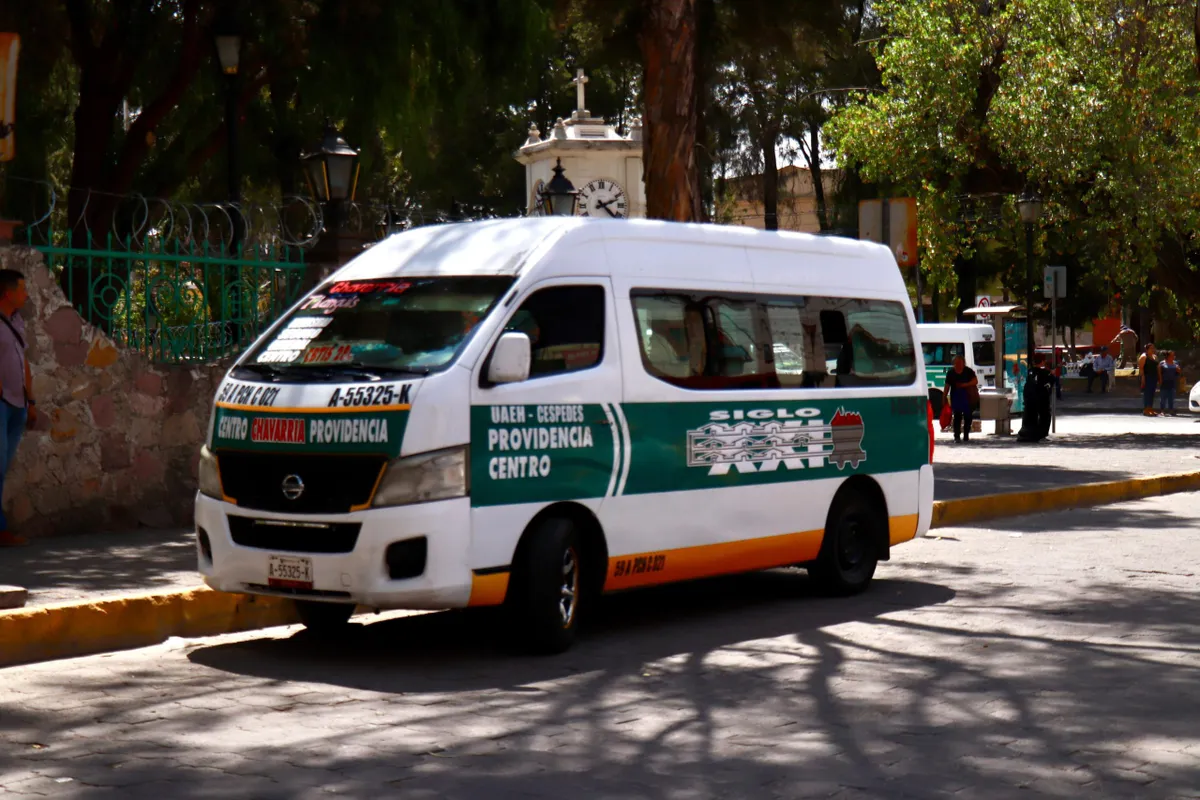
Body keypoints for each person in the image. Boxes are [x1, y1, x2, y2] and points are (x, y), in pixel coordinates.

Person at [0, 270, 35, 547]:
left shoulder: (17, 321)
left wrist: (31, 400)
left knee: (2, 467)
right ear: (7, 292)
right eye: (21, 289)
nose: (25, 294)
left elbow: (23, 361)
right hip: (1, 403)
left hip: (18, 403)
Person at [1017, 354, 1055, 442]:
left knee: (1029, 415)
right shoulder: (1044, 373)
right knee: (1044, 416)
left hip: (1029, 397)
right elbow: (1049, 383)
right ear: (1042, 362)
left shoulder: (1029, 371)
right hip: (1040, 398)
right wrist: (1052, 375)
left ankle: (1026, 433)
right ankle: (1041, 435)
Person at [942, 355, 978, 444]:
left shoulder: (968, 371)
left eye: (960, 363)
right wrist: (944, 397)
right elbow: (947, 386)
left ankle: (966, 435)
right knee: (957, 417)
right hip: (956, 397)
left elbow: (975, 381)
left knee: (968, 417)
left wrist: (964, 385)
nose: (959, 365)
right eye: (957, 363)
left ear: (963, 363)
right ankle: (957, 436)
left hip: (967, 397)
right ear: (954, 364)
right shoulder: (950, 373)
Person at [1138, 343, 1159, 416]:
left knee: (1152, 393)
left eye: (1153, 348)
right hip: (1147, 377)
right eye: (1151, 348)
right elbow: (1141, 368)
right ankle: (1146, 409)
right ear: (1147, 349)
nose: (1153, 349)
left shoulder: (1155, 357)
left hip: (1154, 377)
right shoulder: (1143, 357)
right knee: (1147, 393)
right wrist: (1143, 378)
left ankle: (1150, 408)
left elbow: (1157, 367)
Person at [1159, 351, 1181, 416]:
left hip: (1172, 382)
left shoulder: (1175, 363)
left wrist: (1178, 369)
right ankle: (1162, 410)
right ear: (1168, 356)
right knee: (1163, 397)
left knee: (1171, 397)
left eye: (1173, 355)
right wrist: (1160, 380)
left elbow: (1179, 372)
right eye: (1172, 355)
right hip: (1164, 382)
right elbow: (1159, 372)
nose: (1173, 357)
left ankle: (1171, 410)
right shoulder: (1162, 363)